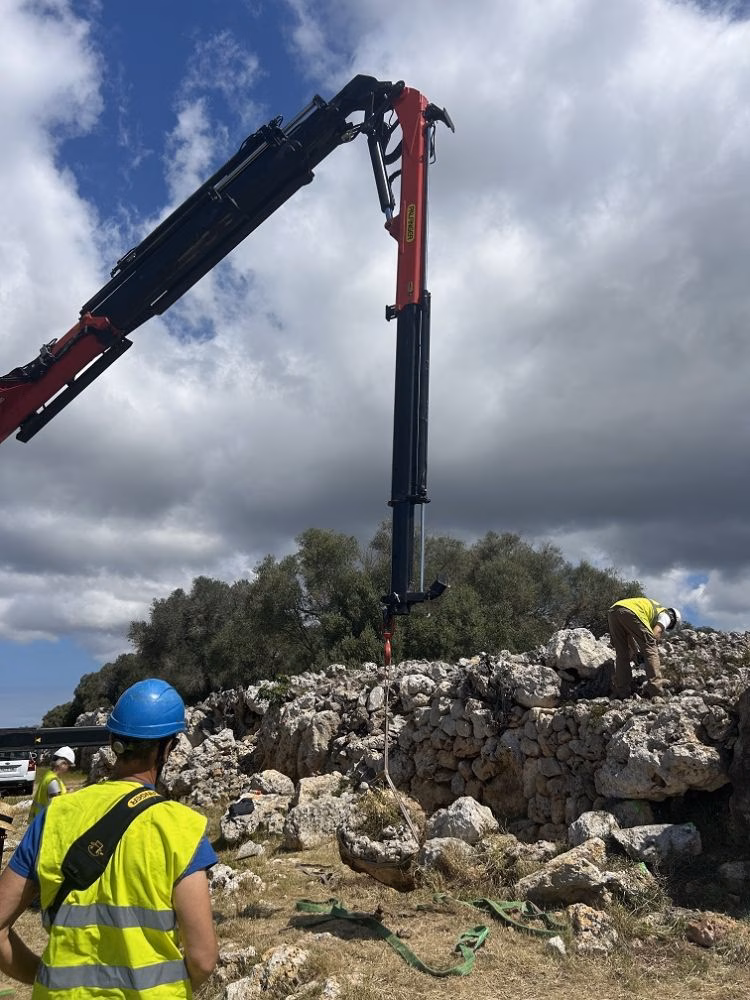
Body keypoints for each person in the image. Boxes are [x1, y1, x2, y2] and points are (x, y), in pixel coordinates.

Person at [0, 678, 219, 997]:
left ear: (114, 740)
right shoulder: (181, 828)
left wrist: (46, 976)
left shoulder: (55, 816)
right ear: (167, 747)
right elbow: (203, 959)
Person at [608, 597, 682, 699]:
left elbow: (629, 635)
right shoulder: (667, 615)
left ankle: (622, 692)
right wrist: (648, 654)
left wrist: (636, 653)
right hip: (631, 611)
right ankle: (656, 691)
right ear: (673, 621)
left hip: (613, 611)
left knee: (622, 654)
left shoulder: (651, 610)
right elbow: (656, 633)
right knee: (651, 648)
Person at [28, 747, 75, 823]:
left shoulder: (49, 775)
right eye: (68, 766)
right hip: (46, 822)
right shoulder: (53, 781)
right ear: (62, 764)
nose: (68, 769)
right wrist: (70, 795)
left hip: (39, 820)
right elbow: (56, 804)